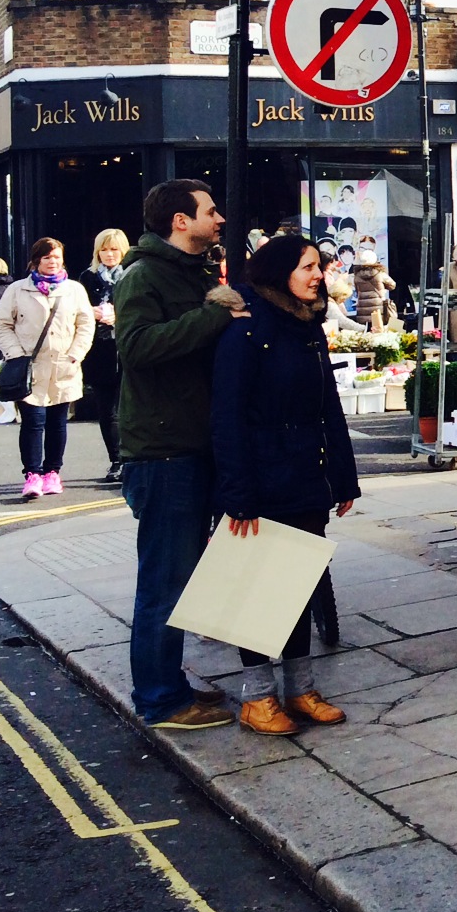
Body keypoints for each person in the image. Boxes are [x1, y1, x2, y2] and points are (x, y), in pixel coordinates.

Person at [211, 233, 359, 735]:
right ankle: (258, 698)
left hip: (304, 473)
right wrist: (238, 495)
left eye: (318, 266)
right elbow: (227, 416)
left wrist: (343, 477)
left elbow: (328, 406)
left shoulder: (307, 324)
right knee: (258, 589)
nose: (319, 275)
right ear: (280, 273)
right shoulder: (246, 327)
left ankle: (300, 689)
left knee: (297, 583)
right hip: (261, 476)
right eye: (308, 267)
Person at [115, 178, 249, 732]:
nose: (220, 219)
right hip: (163, 452)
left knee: (182, 577)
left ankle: (168, 683)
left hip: (193, 444)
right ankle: (160, 700)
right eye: (209, 211)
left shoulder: (192, 273)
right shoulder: (143, 276)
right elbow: (136, 347)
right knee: (164, 583)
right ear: (179, 220)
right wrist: (214, 315)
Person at [0, 238, 97, 500]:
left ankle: (52, 472)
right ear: (36, 260)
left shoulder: (74, 290)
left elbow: (86, 325)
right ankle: (32, 475)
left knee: (57, 423)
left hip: (63, 366)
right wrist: (17, 355)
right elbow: (1, 325)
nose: (52, 262)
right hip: (30, 368)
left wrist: (75, 355)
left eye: (57, 257)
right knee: (32, 422)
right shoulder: (17, 290)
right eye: (47, 257)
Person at [79, 229, 130, 484]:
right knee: (106, 410)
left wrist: (119, 316)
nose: (109, 255)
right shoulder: (87, 278)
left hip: (127, 349)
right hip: (99, 350)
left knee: (125, 411)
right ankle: (116, 461)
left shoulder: (132, 275)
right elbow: (76, 310)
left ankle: (129, 460)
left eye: (114, 249)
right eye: (104, 250)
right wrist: (92, 312)